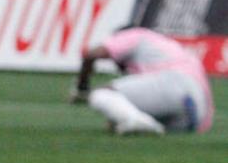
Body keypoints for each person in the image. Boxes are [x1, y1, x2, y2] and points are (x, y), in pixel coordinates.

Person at [71, 27, 214, 135]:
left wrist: (82, 88)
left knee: (102, 94)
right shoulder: (169, 47)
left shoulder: (134, 34)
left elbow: (91, 55)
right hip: (195, 109)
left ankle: (136, 122)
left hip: (172, 82)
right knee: (130, 114)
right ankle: (140, 122)